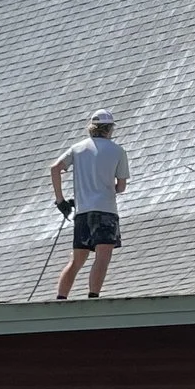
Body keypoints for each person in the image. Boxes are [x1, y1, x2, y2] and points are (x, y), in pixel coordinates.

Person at [50, 109, 130, 299]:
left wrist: (60, 200)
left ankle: (61, 298)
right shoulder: (118, 151)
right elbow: (121, 187)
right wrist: (108, 186)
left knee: (77, 260)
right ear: (109, 129)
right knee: (102, 257)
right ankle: (93, 297)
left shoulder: (77, 148)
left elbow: (55, 169)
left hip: (83, 212)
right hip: (105, 212)